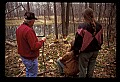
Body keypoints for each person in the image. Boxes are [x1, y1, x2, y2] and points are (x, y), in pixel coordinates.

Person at [73, 8, 103, 78]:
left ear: (85, 16)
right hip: (95, 51)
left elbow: (78, 41)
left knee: (82, 70)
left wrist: (76, 52)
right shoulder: (99, 26)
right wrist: (97, 46)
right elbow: (101, 40)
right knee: (91, 69)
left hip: (85, 52)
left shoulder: (82, 26)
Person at [16, 12, 46, 77]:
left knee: (28, 70)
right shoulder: (29, 31)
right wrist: (42, 41)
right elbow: (34, 47)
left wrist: (34, 39)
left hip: (23, 56)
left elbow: (25, 41)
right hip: (30, 58)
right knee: (33, 74)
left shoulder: (19, 28)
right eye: (34, 20)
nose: (34, 22)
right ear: (31, 21)